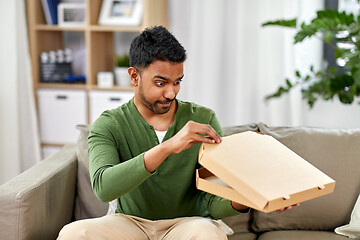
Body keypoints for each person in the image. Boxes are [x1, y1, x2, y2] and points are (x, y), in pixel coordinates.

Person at [57, 26, 295, 240]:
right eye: (161, 83)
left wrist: (252, 198)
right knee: (73, 233)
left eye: (177, 82)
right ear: (134, 76)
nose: (171, 93)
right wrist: (168, 146)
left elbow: (213, 202)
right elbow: (103, 188)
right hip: (130, 223)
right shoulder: (109, 125)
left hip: (187, 225)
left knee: (208, 235)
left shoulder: (204, 119)